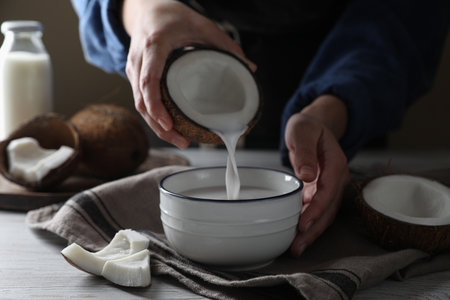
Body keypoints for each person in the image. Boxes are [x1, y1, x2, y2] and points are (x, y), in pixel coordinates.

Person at [71, 0, 449, 256]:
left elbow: (408, 10)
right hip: (174, 55)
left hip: (334, 64)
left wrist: (334, 107)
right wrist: (143, 10)